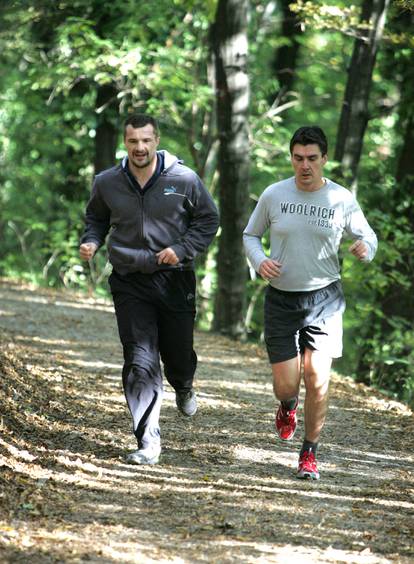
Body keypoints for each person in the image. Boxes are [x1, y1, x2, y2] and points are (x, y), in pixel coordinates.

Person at [79, 113, 219, 465]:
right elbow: (96, 217)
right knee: (139, 359)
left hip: (175, 278)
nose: (140, 147)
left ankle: (183, 383)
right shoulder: (107, 182)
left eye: (146, 140)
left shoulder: (184, 179)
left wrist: (183, 249)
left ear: (156, 140)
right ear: (124, 144)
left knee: (177, 355)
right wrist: (91, 241)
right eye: (133, 141)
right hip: (129, 279)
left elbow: (208, 219)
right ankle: (147, 440)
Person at [243, 126, 377, 480]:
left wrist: (366, 248)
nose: (305, 166)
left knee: (318, 378)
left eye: (312, 159)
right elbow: (250, 234)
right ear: (291, 158)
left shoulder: (341, 199)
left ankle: (309, 453)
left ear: (324, 159)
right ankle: (288, 406)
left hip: (325, 299)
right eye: (298, 158)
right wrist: (259, 261)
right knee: (286, 385)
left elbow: (368, 235)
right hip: (282, 299)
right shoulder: (274, 195)